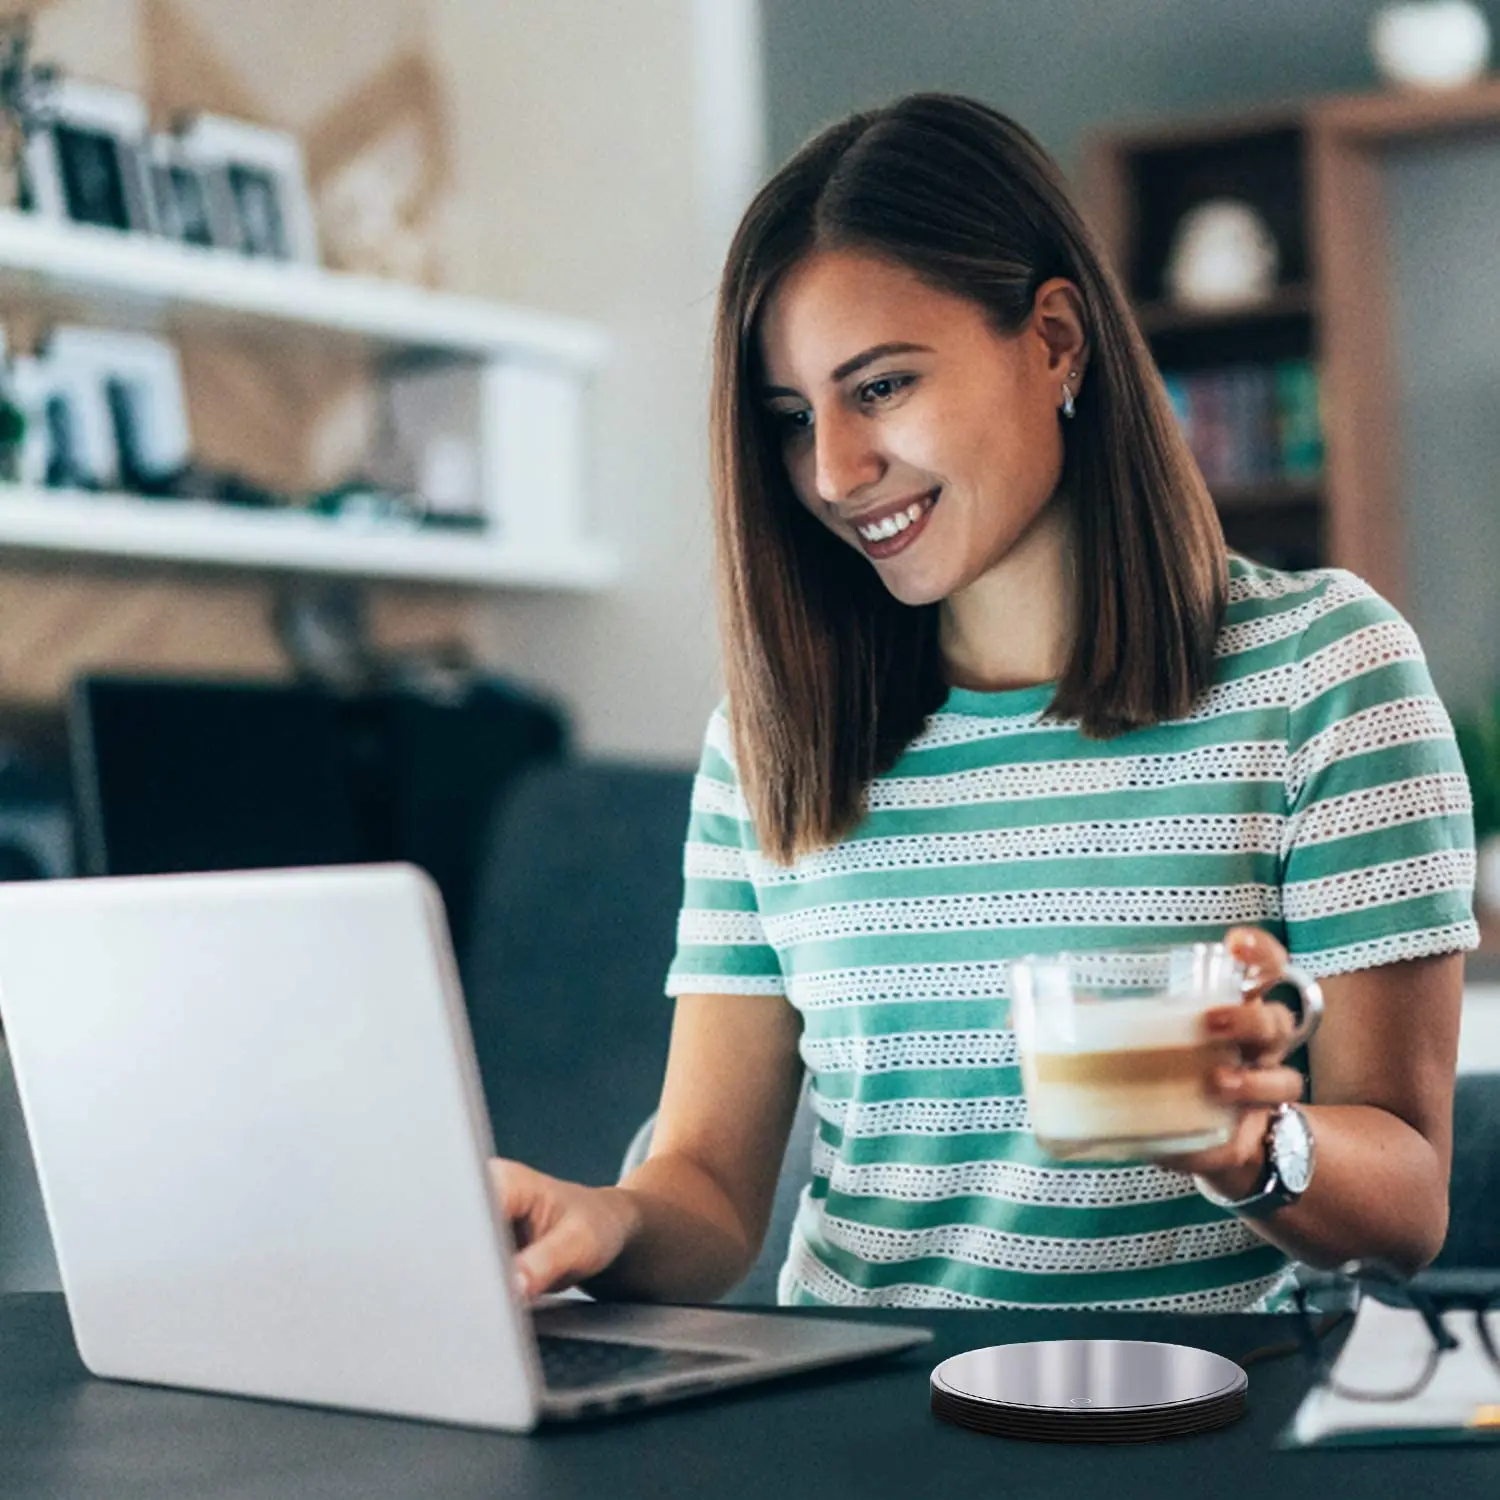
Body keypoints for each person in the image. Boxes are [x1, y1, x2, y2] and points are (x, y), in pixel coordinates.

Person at [491, 93, 1477, 1312]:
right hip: (861, 1433)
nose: (838, 474)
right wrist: (601, 1220)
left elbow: (1412, 1200)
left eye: (884, 387)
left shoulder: (1324, 671)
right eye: (793, 421)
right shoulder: (771, 736)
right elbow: (706, 1189)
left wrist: (1251, 1149)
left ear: (1057, 338)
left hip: (1194, 1424)